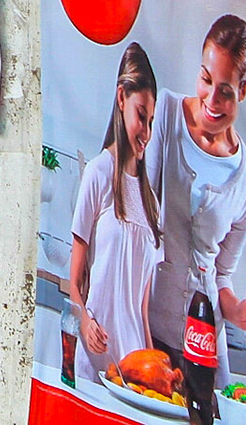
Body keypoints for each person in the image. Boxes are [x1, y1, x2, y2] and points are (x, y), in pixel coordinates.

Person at [143, 15, 246, 392]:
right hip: (143, 325)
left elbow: (219, 273)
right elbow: (138, 219)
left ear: (244, 91)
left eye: (227, 91)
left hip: (202, 346)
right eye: (206, 80)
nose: (212, 101)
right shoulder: (162, 114)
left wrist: (240, 311)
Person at [67, 43, 163, 386]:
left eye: (151, 121)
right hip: (97, 360)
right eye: (141, 116)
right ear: (121, 98)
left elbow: (142, 310)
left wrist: (158, 369)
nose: (147, 134)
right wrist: (86, 322)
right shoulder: (98, 173)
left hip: (138, 371)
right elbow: (74, 281)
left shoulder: (152, 201)